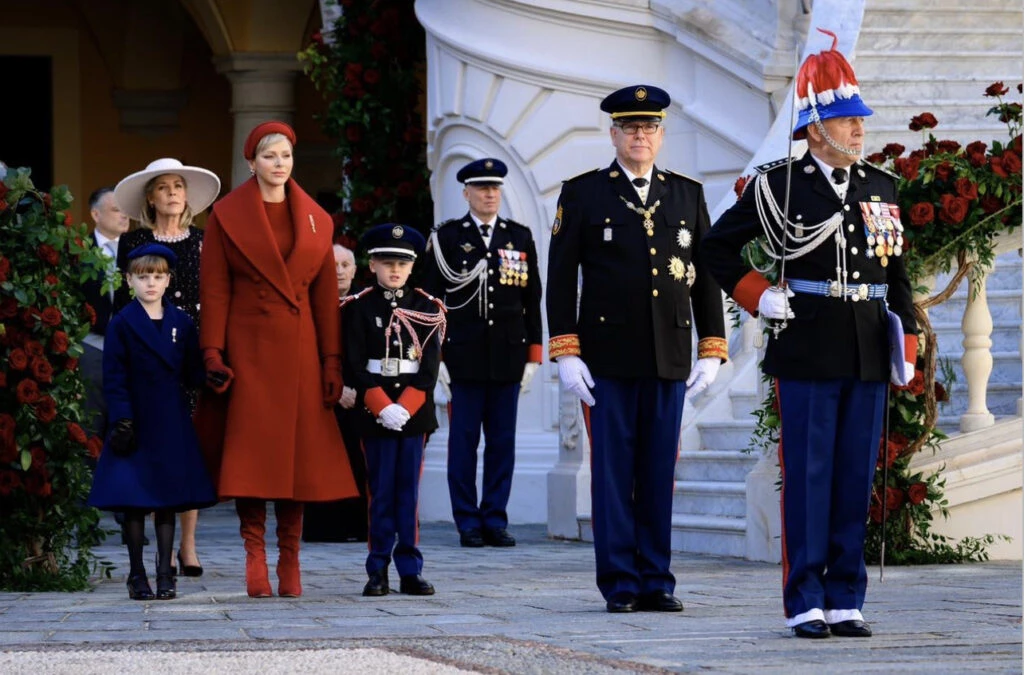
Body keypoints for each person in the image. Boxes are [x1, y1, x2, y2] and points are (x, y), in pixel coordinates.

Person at [700, 31, 918, 639]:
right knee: (808, 476)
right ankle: (805, 599)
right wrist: (758, 294)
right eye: (848, 120)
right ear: (816, 129)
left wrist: (905, 345)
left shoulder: (880, 185)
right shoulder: (779, 185)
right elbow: (715, 247)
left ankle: (847, 596)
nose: (859, 130)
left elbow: (896, 273)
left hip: (867, 346)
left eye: (860, 119)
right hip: (807, 345)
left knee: (854, 477)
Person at [546, 84, 728, 613]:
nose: (640, 136)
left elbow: (705, 275)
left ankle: (657, 579)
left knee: (656, 473)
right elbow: (561, 278)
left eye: (649, 127)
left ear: (661, 135)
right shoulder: (583, 193)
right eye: (630, 127)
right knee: (612, 475)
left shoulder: (686, 194)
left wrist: (711, 347)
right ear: (614, 134)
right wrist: (566, 351)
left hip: (668, 355)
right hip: (606, 358)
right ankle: (621, 582)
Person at [196, 121, 358, 598]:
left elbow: (325, 299)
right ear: (251, 162)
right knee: (252, 457)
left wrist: (332, 361)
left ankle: (290, 558)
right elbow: (215, 290)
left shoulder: (317, 218)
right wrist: (212, 352)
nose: (279, 163)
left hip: (301, 350)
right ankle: (254, 555)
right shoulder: (226, 215)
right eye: (269, 155)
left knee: (297, 461)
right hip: (248, 349)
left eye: (285, 155)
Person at [421, 158, 542, 548]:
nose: (490, 195)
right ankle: (467, 522)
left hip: (508, 356)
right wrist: (435, 357)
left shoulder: (518, 237)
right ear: (466, 193)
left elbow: (532, 300)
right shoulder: (448, 238)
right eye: (482, 188)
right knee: (463, 444)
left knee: (502, 444)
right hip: (462, 358)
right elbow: (430, 301)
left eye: (495, 188)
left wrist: (534, 356)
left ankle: (495, 519)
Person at [88, 244, 217, 601]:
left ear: (168, 280)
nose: (151, 283)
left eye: (158, 277)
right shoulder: (122, 322)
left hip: (170, 419)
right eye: (143, 276)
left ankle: (164, 574)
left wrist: (211, 375)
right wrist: (122, 419)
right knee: (133, 500)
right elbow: (114, 376)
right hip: (133, 419)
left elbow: (191, 371)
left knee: (166, 499)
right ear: (129, 280)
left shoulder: (181, 322)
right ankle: (136, 574)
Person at [114, 157, 220, 579]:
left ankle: (187, 545)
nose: (173, 193)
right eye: (164, 187)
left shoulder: (205, 241)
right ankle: (154, 547)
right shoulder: (133, 240)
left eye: (179, 186)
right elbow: (122, 298)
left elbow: (217, 297)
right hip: (145, 349)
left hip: (189, 353)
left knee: (186, 448)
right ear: (150, 198)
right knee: (148, 445)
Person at [343, 223, 446, 597]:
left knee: (408, 495)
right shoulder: (358, 307)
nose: (395, 270)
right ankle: (378, 569)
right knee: (380, 493)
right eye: (387, 263)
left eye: (402, 263)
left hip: (413, 415)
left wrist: (405, 407)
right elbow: (354, 364)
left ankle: (410, 569)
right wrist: (382, 407)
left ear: (412, 266)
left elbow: (429, 368)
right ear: (372, 265)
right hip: (376, 414)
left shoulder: (426, 307)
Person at [302, 243, 369, 544]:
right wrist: (334, 388)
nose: (340, 272)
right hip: (322, 395)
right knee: (323, 462)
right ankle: (325, 528)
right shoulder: (308, 304)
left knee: (359, 462)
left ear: (355, 270)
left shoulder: (366, 304)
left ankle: (360, 526)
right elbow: (301, 352)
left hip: (362, 397)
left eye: (345, 265)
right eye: (333, 266)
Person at [80, 187, 130, 438]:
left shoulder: (137, 249)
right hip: (93, 348)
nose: (124, 215)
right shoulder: (79, 251)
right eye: (116, 209)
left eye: (126, 209)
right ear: (95, 214)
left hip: (131, 350)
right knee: (91, 427)